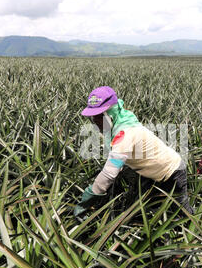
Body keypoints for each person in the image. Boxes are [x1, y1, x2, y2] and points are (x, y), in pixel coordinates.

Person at [74, 86, 194, 220]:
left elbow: (109, 173)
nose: (95, 122)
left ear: (110, 114)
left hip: (172, 172)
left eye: (99, 117)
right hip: (148, 171)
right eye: (93, 118)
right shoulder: (121, 120)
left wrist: (88, 198)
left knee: (183, 214)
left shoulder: (125, 134)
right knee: (145, 207)